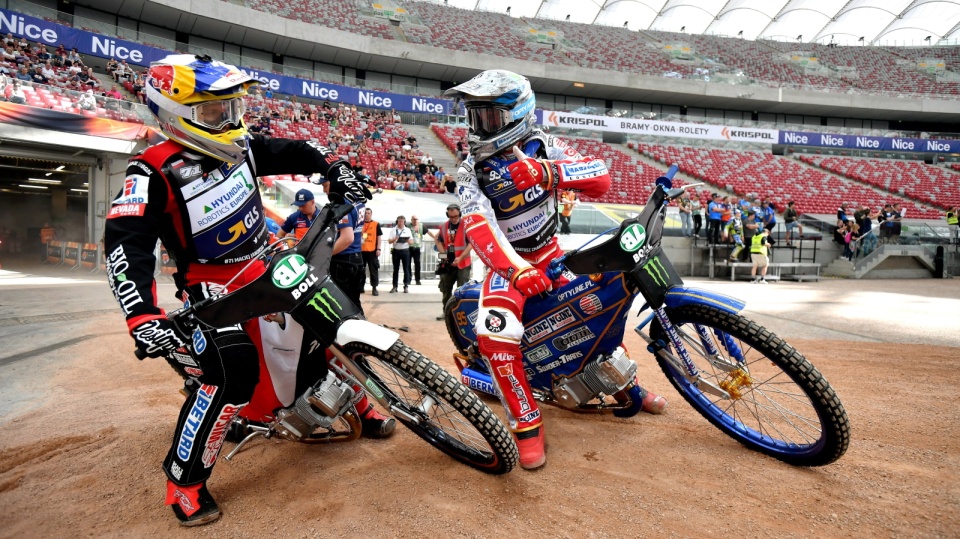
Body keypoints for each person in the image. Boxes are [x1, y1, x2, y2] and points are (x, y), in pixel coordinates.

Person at [102, 54, 382, 527]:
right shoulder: (150, 171)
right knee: (229, 373)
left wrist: (334, 168)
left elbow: (296, 150)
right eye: (215, 111)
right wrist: (141, 316)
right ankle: (184, 481)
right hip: (211, 287)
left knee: (333, 317)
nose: (230, 119)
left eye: (233, 107)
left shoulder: (243, 145)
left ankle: (360, 398)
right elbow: (126, 248)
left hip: (268, 259)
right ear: (176, 112)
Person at [444, 70, 666, 470]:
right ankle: (527, 428)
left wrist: (550, 172)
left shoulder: (545, 144)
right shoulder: (469, 168)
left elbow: (601, 178)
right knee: (494, 334)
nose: (480, 127)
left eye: (489, 117)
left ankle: (627, 389)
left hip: (552, 253)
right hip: (509, 267)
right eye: (475, 117)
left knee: (603, 306)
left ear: (519, 112)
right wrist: (514, 271)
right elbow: (478, 227)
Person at [435, 203, 473, 320]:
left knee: (462, 290)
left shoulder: (466, 226)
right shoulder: (444, 227)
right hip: (448, 264)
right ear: (448, 215)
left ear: (460, 214)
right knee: (446, 289)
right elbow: (438, 241)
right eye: (451, 216)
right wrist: (443, 256)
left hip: (463, 263)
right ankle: (446, 313)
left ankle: (461, 315)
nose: (454, 219)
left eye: (456, 216)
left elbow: (471, 243)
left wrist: (460, 257)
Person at [360, 207, 382, 295]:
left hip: (372, 251)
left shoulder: (376, 224)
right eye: (365, 213)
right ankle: (361, 287)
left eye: (369, 213)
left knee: (374, 270)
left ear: (371, 214)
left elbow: (379, 237)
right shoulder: (360, 224)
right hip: (361, 250)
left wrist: (378, 248)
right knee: (361, 270)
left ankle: (374, 287)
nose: (367, 214)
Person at [388, 215, 412, 293]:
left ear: (404, 222)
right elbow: (389, 241)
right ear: (397, 221)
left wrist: (407, 240)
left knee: (406, 269)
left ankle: (406, 285)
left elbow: (411, 242)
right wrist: (395, 239)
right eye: (399, 221)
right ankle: (395, 286)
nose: (400, 223)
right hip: (396, 250)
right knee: (396, 269)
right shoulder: (393, 230)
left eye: (402, 221)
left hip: (405, 250)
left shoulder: (407, 230)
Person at [408, 214, 428, 285]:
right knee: (408, 264)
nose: (415, 221)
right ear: (411, 220)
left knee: (417, 264)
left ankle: (417, 280)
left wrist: (436, 237)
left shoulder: (421, 226)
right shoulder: (408, 226)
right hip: (409, 248)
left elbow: (428, 232)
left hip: (417, 248)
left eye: (416, 219)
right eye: (414, 219)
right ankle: (408, 279)